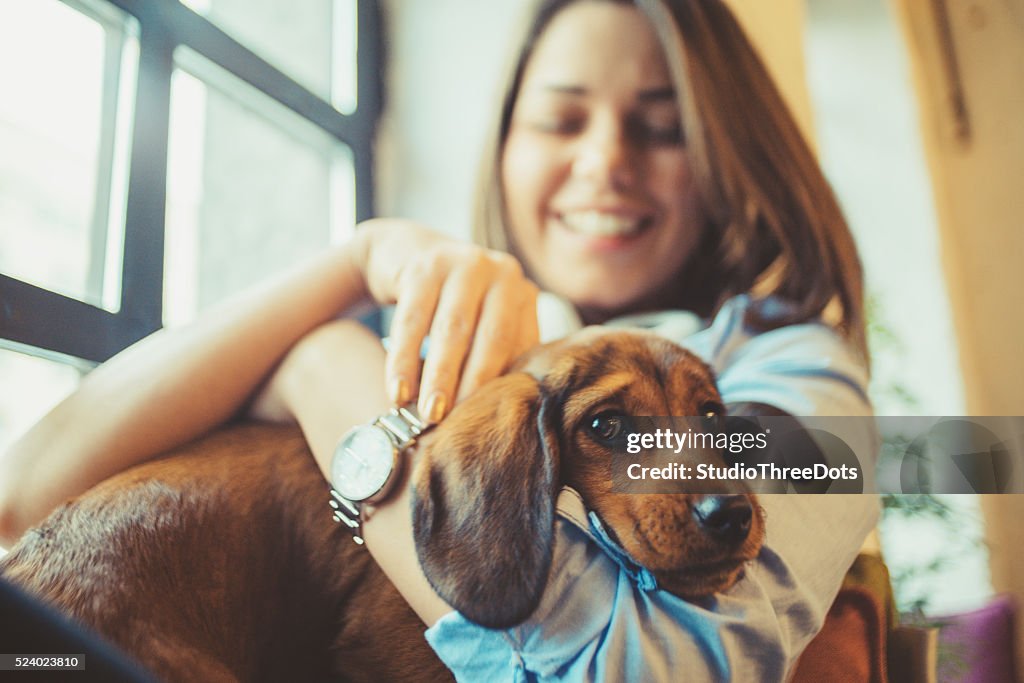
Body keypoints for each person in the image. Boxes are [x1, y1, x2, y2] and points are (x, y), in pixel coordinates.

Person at [0, 0, 879, 680]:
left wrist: (322, 378)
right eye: (562, 119)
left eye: (661, 125)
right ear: (501, 145)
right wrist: (358, 261)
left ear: (729, 151)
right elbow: (24, 491)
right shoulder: (415, 340)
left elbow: (649, 665)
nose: (606, 160)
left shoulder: (795, 364)